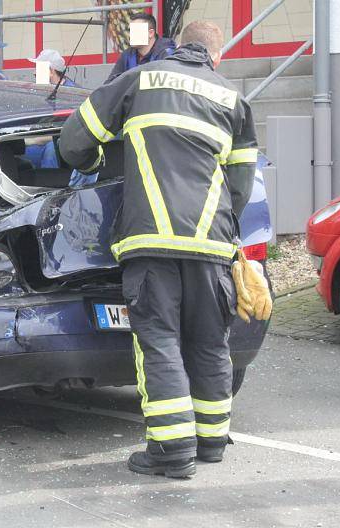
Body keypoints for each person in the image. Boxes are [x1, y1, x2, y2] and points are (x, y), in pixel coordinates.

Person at [58, 20, 258, 478]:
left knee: (160, 343)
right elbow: (242, 187)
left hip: (150, 242)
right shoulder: (233, 100)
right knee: (210, 343)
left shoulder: (138, 80)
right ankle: (210, 443)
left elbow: (73, 144)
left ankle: (170, 453)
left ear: (175, 46)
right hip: (210, 244)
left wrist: (99, 161)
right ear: (216, 56)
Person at [105, 12, 177, 83]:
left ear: (150, 33)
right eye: (130, 31)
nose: (130, 35)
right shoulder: (126, 55)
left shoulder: (167, 54)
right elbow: (110, 84)